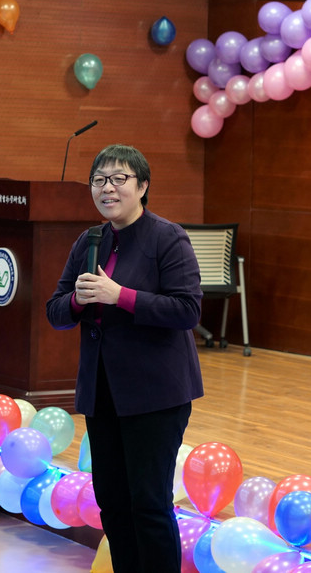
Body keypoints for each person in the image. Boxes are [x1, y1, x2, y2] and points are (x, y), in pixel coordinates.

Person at [46, 144, 203, 573]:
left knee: (148, 504)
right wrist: (77, 300)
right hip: (103, 393)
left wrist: (121, 296)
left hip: (155, 394)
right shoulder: (89, 241)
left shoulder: (167, 237)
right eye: (99, 180)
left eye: (119, 179)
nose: (107, 189)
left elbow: (187, 310)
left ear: (143, 186)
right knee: (112, 501)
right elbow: (55, 310)